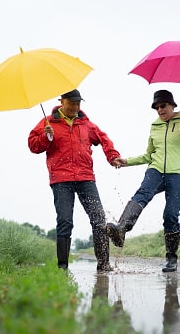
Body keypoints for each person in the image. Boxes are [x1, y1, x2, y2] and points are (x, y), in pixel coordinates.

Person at [107, 89, 180, 272]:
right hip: (156, 169)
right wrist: (127, 161)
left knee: (170, 213)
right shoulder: (155, 126)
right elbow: (149, 155)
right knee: (143, 192)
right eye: (157, 107)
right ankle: (121, 229)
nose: (160, 110)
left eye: (163, 106)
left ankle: (171, 258)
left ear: (172, 105)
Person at [28, 89, 120, 272]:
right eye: (72, 103)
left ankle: (104, 264)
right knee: (65, 221)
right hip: (61, 179)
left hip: (86, 177)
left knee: (98, 218)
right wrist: (45, 136)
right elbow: (33, 146)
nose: (76, 107)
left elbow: (103, 138)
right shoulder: (48, 122)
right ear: (62, 101)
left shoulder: (85, 123)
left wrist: (112, 156)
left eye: (78, 103)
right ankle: (62, 268)